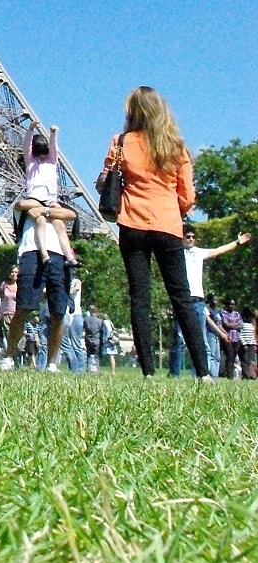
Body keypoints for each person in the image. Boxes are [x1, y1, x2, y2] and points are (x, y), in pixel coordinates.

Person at [99, 86, 209, 381]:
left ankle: (148, 372)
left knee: (140, 298)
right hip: (168, 225)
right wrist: (170, 205)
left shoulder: (121, 142)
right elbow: (187, 198)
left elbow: (105, 181)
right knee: (182, 297)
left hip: (132, 224)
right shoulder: (176, 146)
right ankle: (203, 372)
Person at [169, 224, 251, 377]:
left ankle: (203, 374)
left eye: (193, 237)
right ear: (182, 238)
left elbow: (218, 250)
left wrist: (237, 242)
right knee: (180, 339)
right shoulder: (176, 253)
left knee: (201, 340)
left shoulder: (199, 253)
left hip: (198, 301)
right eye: (188, 237)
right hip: (182, 299)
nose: (191, 239)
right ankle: (174, 374)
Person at [0, 212, 67, 372]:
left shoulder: (57, 207)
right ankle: (9, 357)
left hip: (58, 256)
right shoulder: (26, 206)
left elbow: (72, 214)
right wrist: (49, 210)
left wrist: (49, 210)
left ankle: (51, 363)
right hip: (31, 253)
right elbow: (22, 205)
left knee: (59, 312)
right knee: (23, 308)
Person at [14, 122, 79, 269]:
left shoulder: (52, 161)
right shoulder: (30, 161)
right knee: (41, 221)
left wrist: (53, 134)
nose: (43, 157)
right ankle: (44, 255)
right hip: (34, 198)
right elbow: (26, 147)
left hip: (50, 200)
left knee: (60, 225)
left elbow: (54, 148)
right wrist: (30, 129)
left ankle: (69, 256)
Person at [220, 299, 244, 380]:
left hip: (237, 338)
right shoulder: (223, 313)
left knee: (234, 356)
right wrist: (234, 325)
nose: (231, 306)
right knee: (229, 356)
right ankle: (229, 375)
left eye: (233, 304)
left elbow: (241, 325)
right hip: (228, 337)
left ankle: (232, 374)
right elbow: (225, 324)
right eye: (230, 304)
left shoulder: (237, 314)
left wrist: (232, 325)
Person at [83, 304, 104, 373]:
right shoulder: (99, 321)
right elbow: (101, 330)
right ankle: (96, 368)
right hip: (96, 340)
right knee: (96, 355)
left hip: (88, 339)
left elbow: (84, 328)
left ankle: (89, 367)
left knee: (89, 354)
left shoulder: (86, 319)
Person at [238, 308, 256, 380]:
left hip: (251, 344)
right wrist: (244, 344)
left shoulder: (251, 325)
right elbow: (241, 334)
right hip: (245, 345)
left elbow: (252, 335)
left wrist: (254, 344)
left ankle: (249, 374)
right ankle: (245, 375)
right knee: (244, 360)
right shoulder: (243, 325)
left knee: (249, 360)